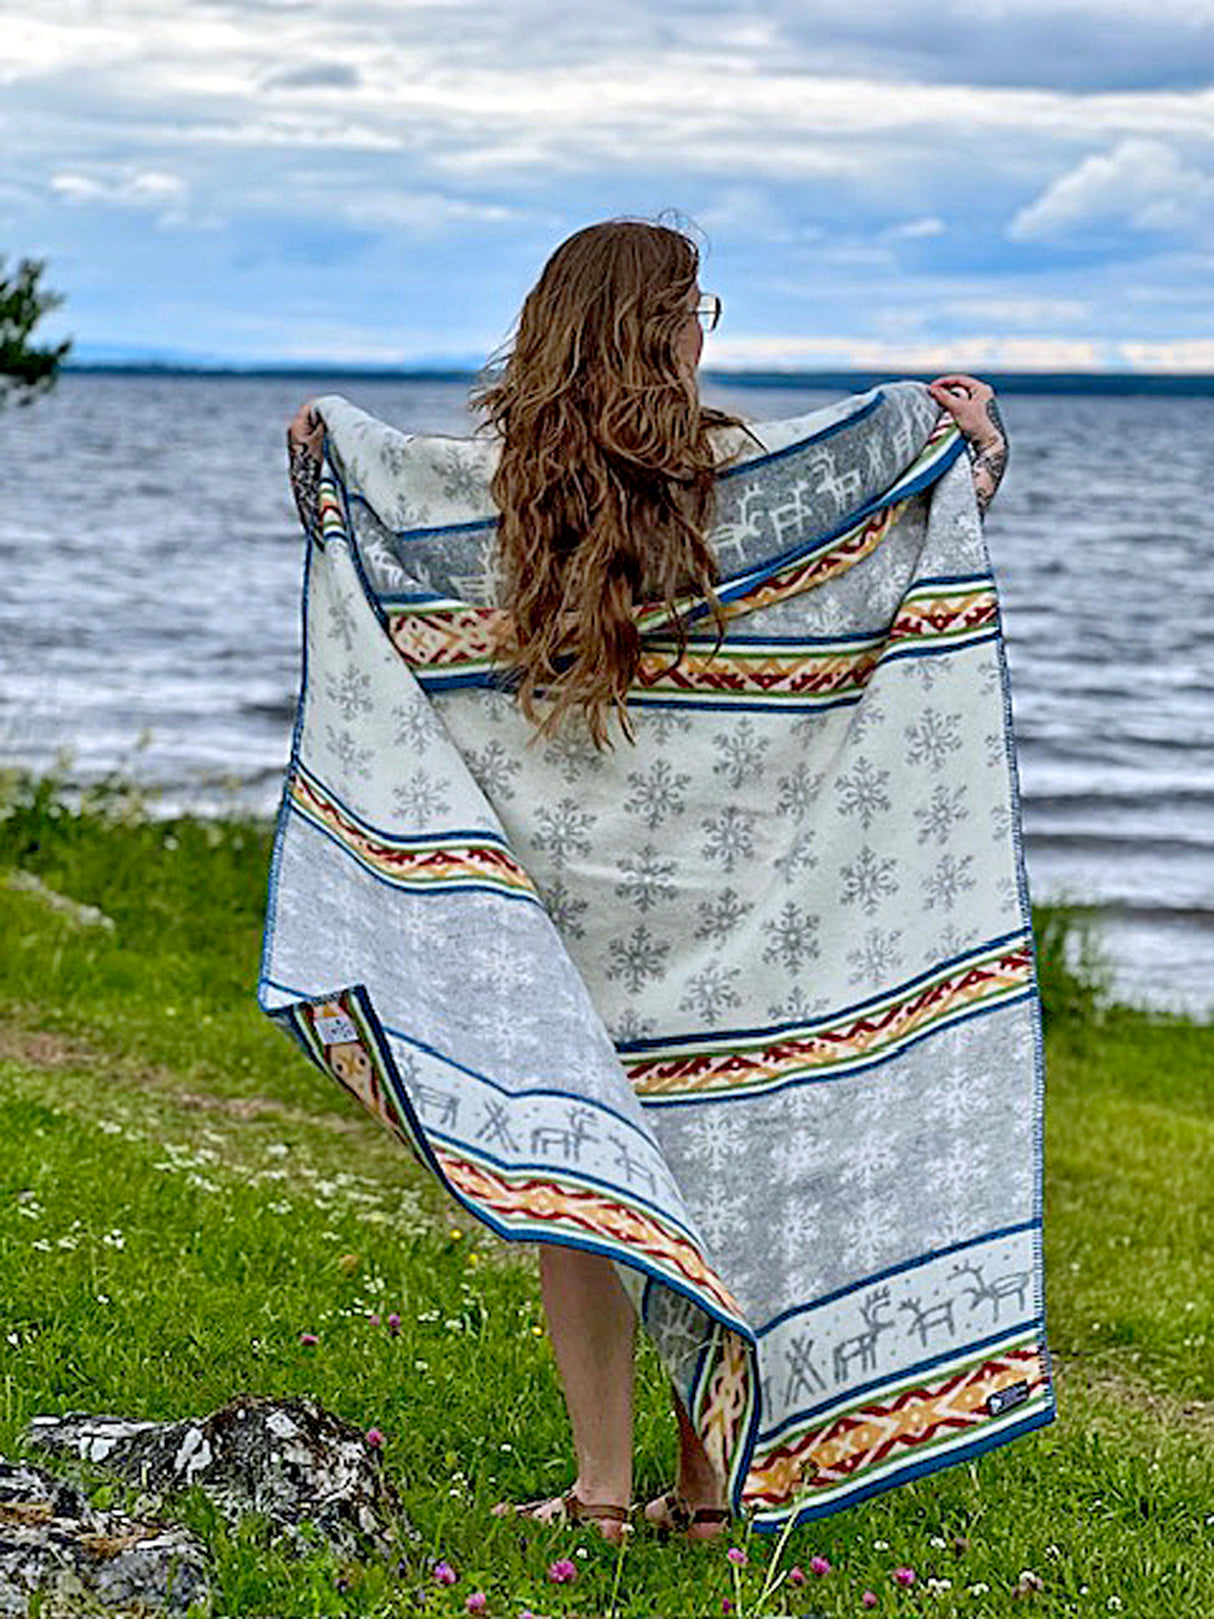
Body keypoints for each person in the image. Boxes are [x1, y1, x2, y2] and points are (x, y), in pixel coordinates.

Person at [283, 221, 1016, 1544]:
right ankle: (699, 1491)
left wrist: (325, 454)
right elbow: (866, 575)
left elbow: (372, 540)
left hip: (554, 913)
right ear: (657, 327)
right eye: (695, 310)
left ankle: (603, 1492)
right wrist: (967, 460)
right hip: (717, 912)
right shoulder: (747, 483)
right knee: (712, 1165)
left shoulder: (479, 487)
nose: (703, 333)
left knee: (589, 1184)